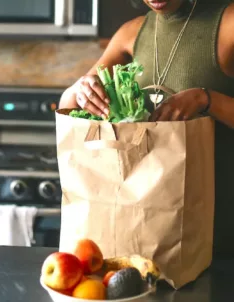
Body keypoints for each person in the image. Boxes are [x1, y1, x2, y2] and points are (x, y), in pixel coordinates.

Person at [59, 0, 234, 259]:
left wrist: (205, 99)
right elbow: (67, 105)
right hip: (145, 225)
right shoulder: (132, 32)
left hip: (219, 224)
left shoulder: (227, 22)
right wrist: (82, 89)